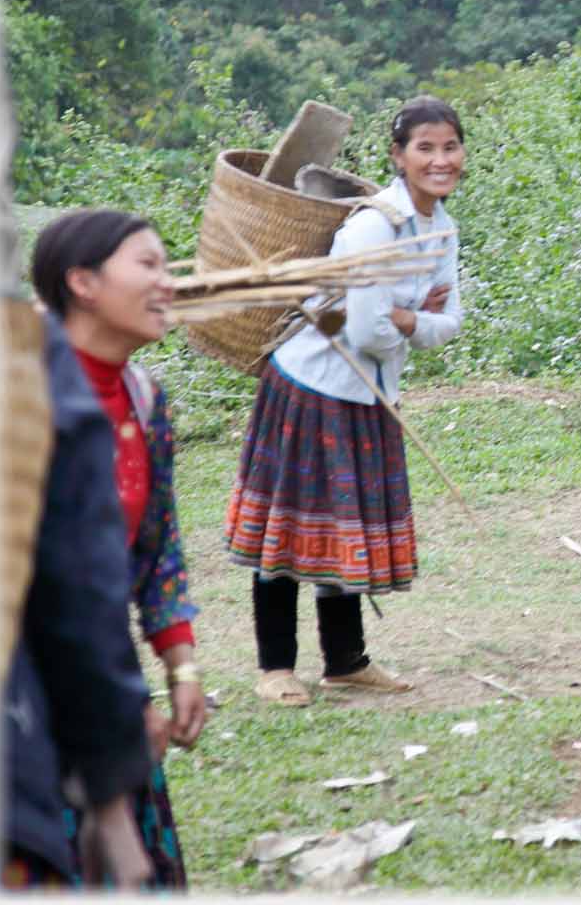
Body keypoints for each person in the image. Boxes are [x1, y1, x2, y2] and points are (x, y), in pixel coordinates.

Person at [226, 95, 466, 706]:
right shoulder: (370, 226)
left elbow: (450, 323)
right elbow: (365, 332)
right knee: (288, 528)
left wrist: (405, 319)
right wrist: (412, 319)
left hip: (369, 395)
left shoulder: (441, 229)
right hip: (312, 387)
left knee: (345, 524)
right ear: (399, 156)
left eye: (450, 147)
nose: (440, 160)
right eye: (425, 148)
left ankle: (345, 662)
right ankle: (276, 667)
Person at [29, 209, 207, 887]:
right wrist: (118, 701)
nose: (168, 284)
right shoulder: (22, 403)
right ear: (82, 282)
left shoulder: (143, 400)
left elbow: (157, 545)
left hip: (104, 685)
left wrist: (180, 664)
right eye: (149, 265)